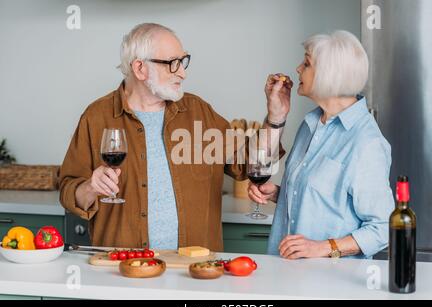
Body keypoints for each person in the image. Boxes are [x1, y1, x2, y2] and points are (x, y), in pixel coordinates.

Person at [59, 23, 287, 251]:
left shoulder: (199, 113)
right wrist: (91, 187)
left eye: (183, 61)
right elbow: (69, 193)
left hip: (194, 271)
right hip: (123, 269)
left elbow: (249, 162)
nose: (183, 72)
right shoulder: (96, 117)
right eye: (172, 63)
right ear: (140, 68)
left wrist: (276, 116)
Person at [248, 30, 394, 259]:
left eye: (306, 63)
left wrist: (323, 247)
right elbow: (329, 203)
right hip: (287, 274)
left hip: (329, 284)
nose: (297, 69)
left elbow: (384, 227)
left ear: (330, 74)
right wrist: (279, 193)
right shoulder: (311, 124)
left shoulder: (367, 143)